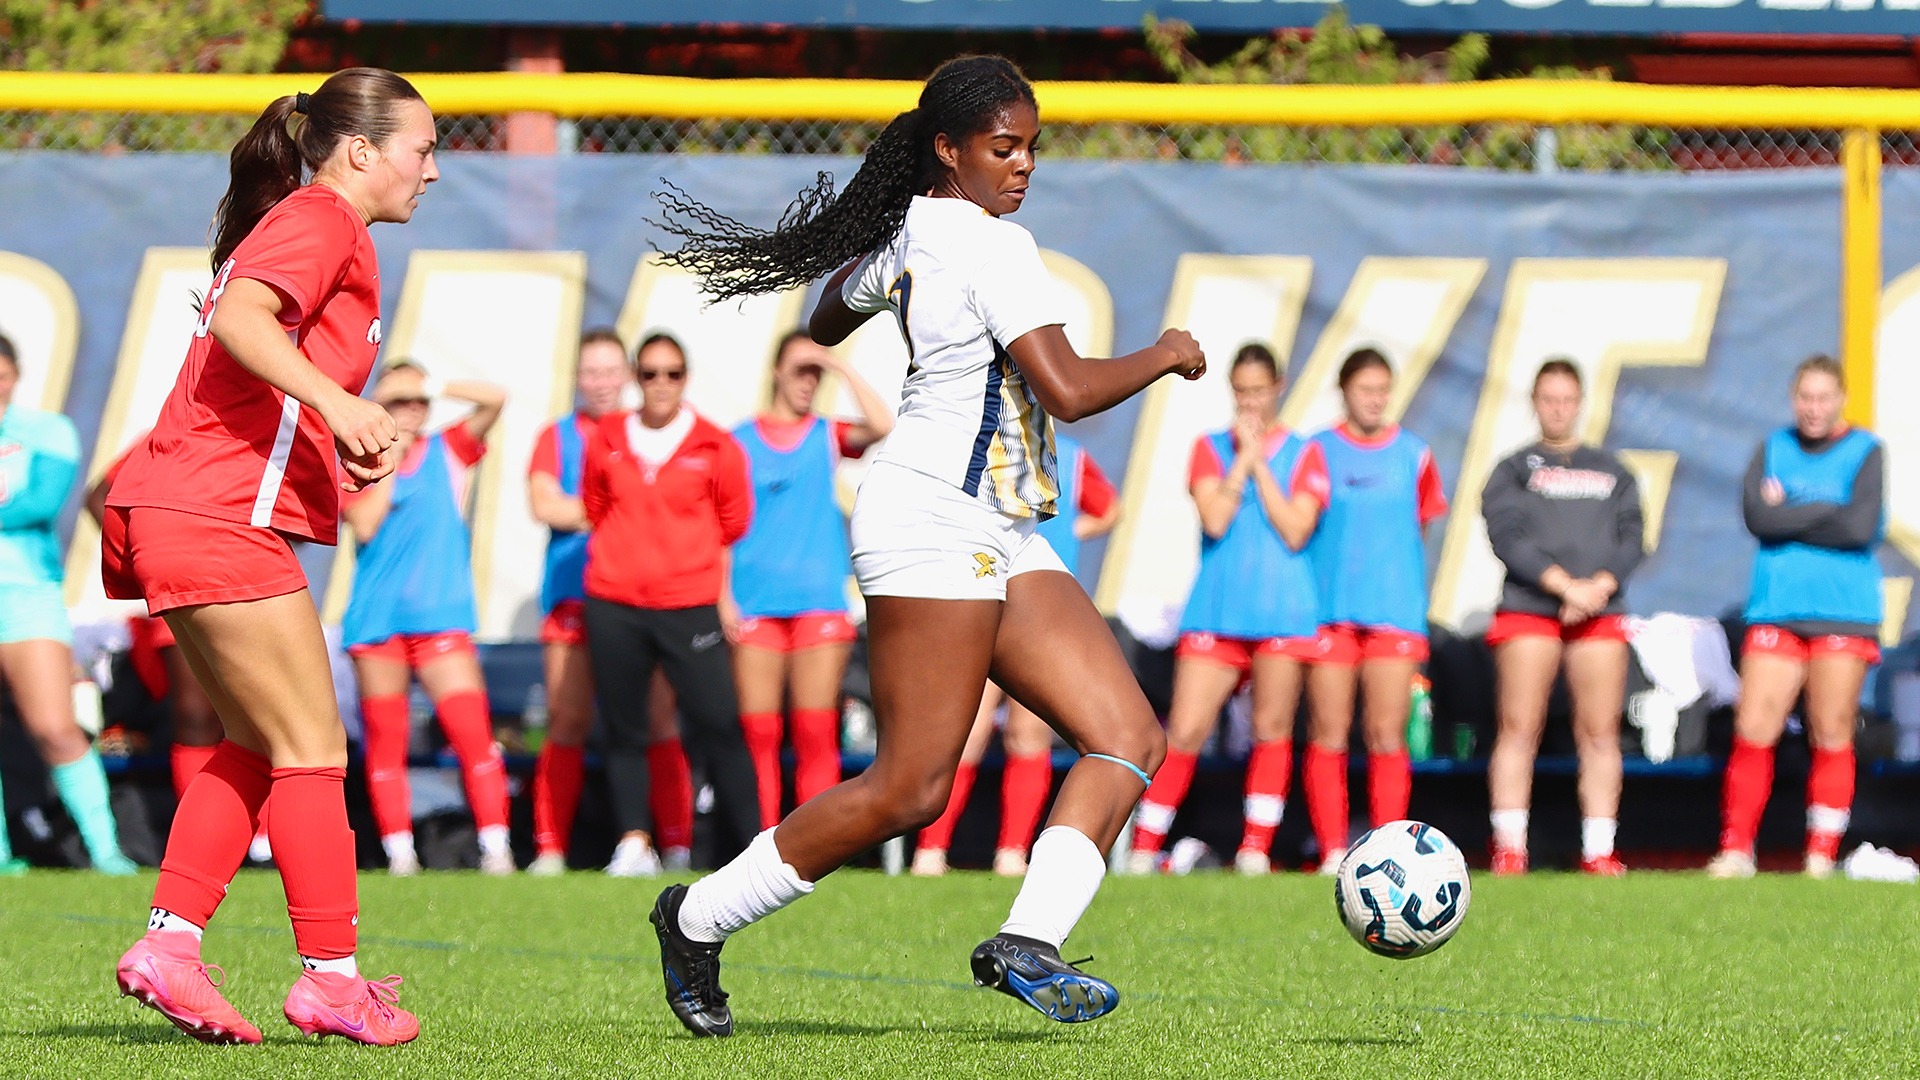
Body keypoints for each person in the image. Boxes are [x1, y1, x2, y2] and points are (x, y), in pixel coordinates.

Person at [647, 54, 1204, 1035]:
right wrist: (1165, 352)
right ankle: (693, 917)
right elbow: (1069, 391)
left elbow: (824, 315)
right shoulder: (994, 247)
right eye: (1004, 146)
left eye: (1032, 146)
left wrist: (879, 265)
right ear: (947, 149)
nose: (1024, 164)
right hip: (934, 519)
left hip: (998, 521)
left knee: (1128, 736)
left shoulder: (921, 229)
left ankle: (1028, 940)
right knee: (911, 787)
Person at [105, 68, 432, 1046]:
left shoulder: (324, 225)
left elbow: (261, 366)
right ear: (361, 151)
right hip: (214, 513)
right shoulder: (325, 217)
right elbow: (245, 322)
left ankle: (169, 948)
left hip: (190, 507)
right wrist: (341, 408)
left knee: (258, 745)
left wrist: (341, 437)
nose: (433, 169)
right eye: (424, 147)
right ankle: (332, 979)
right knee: (312, 749)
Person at [1126, 343, 1327, 876]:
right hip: (1217, 611)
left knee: (1272, 729)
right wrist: (1242, 459)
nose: (1250, 402)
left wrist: (1261, 467)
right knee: (1186, 731)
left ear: (1278, 387)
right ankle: (1145, 848)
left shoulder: (1305, 452)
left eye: (1259, 391)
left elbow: (1295, 528)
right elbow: (1215, 519)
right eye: (1241, 391)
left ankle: (1255, 849)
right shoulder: (1209, 448)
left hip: (1283, 612)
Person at [579, 332, 762, 877]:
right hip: (614, 600)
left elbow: (735, 519)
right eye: (651, 373)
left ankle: (755, 848)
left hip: (689, 603)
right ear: (637, 378)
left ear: (686, 378)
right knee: (624, 726)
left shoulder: (714, 444)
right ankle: (634, 842)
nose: (661, 384)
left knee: (720, 723)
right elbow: (595, 503)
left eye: (673, 373)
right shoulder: (608, 436)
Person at [526, 328, 696, 877]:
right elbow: (545, 505)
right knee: (566, 719)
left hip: (642, 599)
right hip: (573, 598)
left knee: (656, 720)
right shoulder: (556, 435)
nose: (601, 382)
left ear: (625, 376)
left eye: (609, 371)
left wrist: (601, 510)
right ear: (578, 378)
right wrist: (622, 509)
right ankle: (550, 850)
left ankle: (671, 847)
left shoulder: (649, 432)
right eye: (590, 372)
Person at [911, 431, 1119, 876]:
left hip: (1043, 610)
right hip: (985, 602)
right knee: (967, 729)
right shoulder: (983, 444)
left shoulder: (1073, 456)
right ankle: (930, 849)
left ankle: (1012, 852)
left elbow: (1109, 509)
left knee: (1028, 735)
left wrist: (1072, 535)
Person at [1707, 355, 1884, 880]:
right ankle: (1737, 850)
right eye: (1805, 397)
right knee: (1754, 725)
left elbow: (1859, 527)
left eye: (1823, 397)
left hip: (1843, 612)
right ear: (1793, 399)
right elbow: (1758, 518)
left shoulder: (1866, 451)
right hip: (1777, 609)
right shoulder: (1773, 448)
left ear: (1841, 399)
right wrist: (1825, 510)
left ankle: (1819, 856)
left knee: (1831, 729)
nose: (1813, 408)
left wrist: (1791, 515)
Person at [339, 362, 512, 876]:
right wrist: (389, 453)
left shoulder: (450, 450)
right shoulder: (356, 462)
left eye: (418, 402)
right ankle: (399, 854)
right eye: (399, 402)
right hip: (377, 625)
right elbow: (366, 524)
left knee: (472, 736)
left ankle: (496, 846)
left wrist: (431, 384)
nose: (411, 411)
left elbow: (495, 396)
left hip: (441, 620)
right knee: (387, 744)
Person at [1481, 358, 1645, 877]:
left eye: (1566, 399)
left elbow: (1633, 537)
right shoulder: (1513, 469)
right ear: (1534, 402)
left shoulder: (1612, 470)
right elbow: (1507, 538)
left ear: (1580, 403)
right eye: (1548, 399)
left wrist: (1597, 587)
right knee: (1518, 726)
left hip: (1598, 611)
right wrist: (1561, 586)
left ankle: (1598, 849)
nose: (1558, 408)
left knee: (1599, 732)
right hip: (1531, 609)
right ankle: (1510, 847)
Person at [731, 330, 894, 828]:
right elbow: (717, 525)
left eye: (815, 374)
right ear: (776, 371)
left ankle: (809, 848)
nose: (808, 382)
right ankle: (756, 851)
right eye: (800, 370)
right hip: (753, 604)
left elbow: (883, 424)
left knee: (815, 731)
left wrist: (839, 366)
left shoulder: (827, 433)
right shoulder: (735, 441)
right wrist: (722, 599)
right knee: (758, 734)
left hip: (818, 603)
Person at [1302, 349, 1448, 871]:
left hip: (1393, 614)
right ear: (1344, 391)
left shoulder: (1414, 453)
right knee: (1330, 732)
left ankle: (1390, 848)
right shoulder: (1317, 450)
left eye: (1383, 389)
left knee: (1386, 735)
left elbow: (1423, 523)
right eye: (1366, 389)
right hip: (1329, 614)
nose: (1375, 399)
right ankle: (1333, 850)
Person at [89, 445, 268, 863]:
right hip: (181, 587)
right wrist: (143, 561)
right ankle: (207, 842)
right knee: (195, 717)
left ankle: (265, 839)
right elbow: (101, 494)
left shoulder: (269, 429)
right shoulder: (174, 429)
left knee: (262, 714)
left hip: (247, 587)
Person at [0, 331, 137, 876]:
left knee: (54, 726)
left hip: (27, 595)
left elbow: (39, 503)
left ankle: (106, 851)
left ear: (14, 375)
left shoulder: (46, 432)